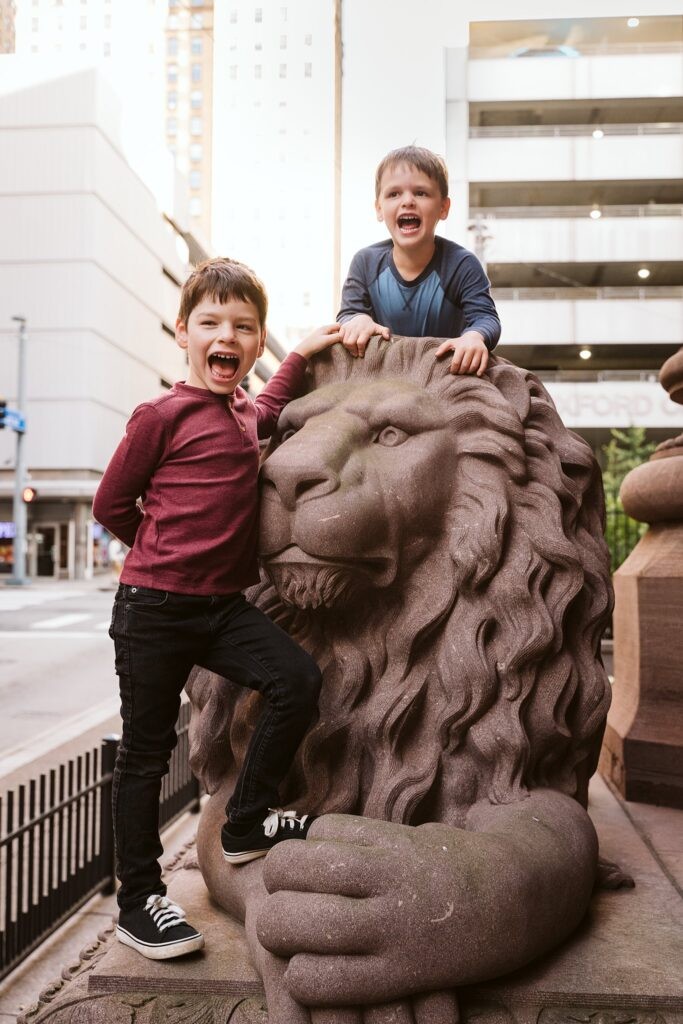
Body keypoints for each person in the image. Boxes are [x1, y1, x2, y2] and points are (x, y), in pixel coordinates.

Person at [93, 257, 342, 961]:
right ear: (182, 333)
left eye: (243, 326)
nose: (226, 335)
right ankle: (141, 901)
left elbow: (263, 412)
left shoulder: (241, 412)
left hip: (221, 610)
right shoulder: (161, 414)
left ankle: (245, 823)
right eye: (210, 323)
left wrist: (301, 354)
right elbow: (111, 503)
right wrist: (163, 550)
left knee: (296, 680)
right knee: (145, 756)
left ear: (256, 343)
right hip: (153, 607)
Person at [337, 145, 500, 377]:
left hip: (445, 377)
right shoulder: (365, 262)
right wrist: (358, 319)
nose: (408, 201)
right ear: (379, 208)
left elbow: (485, 317)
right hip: (381, 378)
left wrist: (474, 337)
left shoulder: (462, 264)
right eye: (394, 194)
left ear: (444, 207)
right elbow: (348, 313)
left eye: (421, 193)